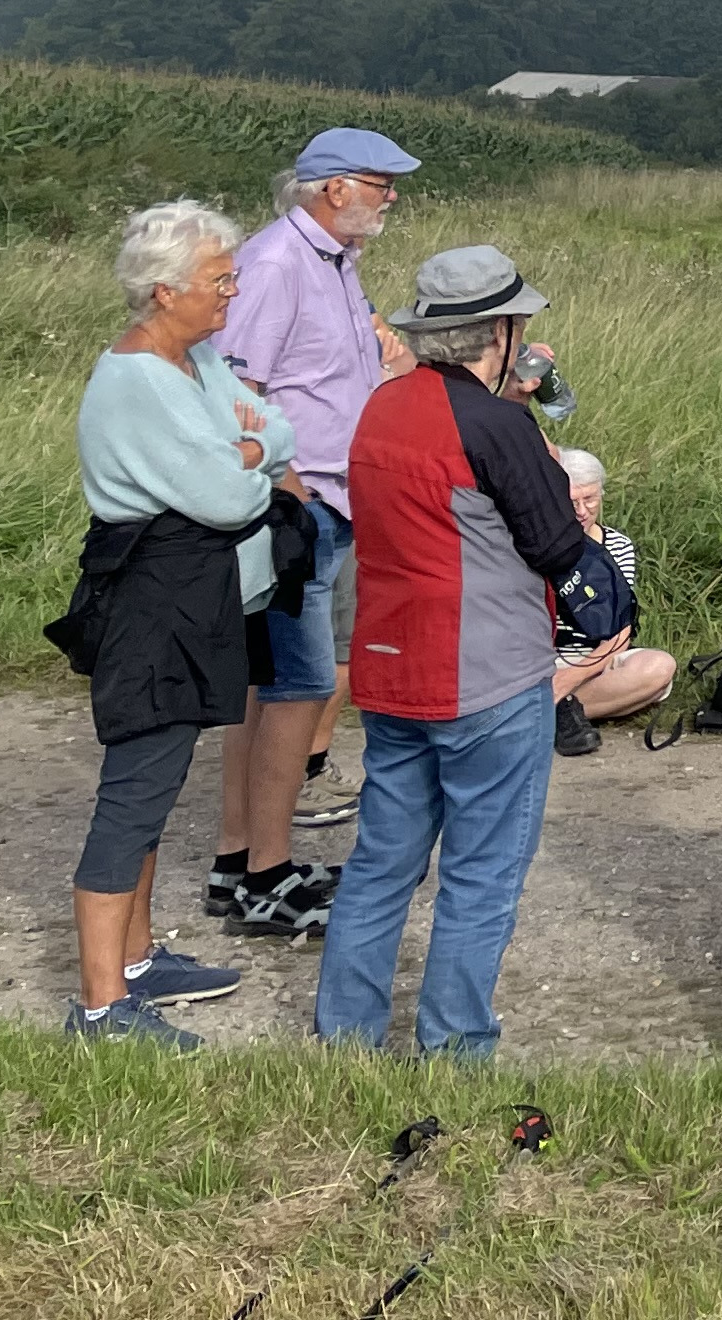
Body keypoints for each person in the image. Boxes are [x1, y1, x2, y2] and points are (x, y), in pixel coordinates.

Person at [314, 245, 600, 1059]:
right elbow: (554, 544)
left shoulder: (380, 408)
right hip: (487, 670)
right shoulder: (500, 423)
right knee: (480, 873)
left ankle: (345, 1040)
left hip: (389, 660)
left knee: (380, 864)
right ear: (502, 332)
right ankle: (454, 1047)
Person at [59, 200, 284, 1045]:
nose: (231, 293)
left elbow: (276, 429)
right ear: (163, 291)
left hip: (196, 596)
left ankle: (140, 959)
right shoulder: (138, 379)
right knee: (133, 794)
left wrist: (251, 450)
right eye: (219, 280)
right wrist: (254, 459)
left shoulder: (196, 357)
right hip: (154, 602)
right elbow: (227, 499)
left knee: (158, 787)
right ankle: (99, 1005)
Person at [208, 126, 418, 938]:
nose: (391, 196)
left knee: (276, 687)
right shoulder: (274, 263)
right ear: (334, 188)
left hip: (335, 497)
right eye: (382, 182)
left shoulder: (337, 261)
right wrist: (287, 495)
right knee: (296, 690)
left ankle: (242, 860)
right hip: (301, 506)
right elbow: (236, 386)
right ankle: (265, 873)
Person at [549, 447, 679, 747]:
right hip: (548, 658)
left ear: (602, 495)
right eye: (572, 502)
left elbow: (623, 630)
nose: (582, 511)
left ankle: (555, 708)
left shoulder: (618, 545)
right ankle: (563, 709)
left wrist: (572, 678)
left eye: (590, 499)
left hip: (600, 658)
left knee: (660, 668)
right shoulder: (538, 545)